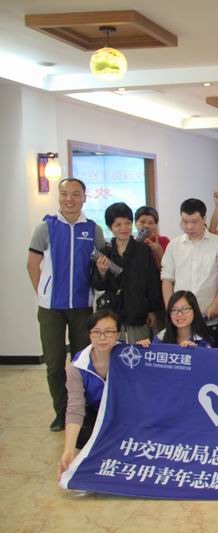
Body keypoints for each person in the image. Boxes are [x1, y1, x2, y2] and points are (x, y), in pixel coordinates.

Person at [27, 177, 105, 431]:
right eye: (64, 194)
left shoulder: (93, 230)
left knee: (82, 360)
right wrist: (43, 293)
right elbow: (32, 265)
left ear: (84, 197)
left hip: (82, 306)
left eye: (75, 194)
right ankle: (61, 412)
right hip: (50, 308)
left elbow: (103, 264)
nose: (69, 199)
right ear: (59, 196)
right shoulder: (45, 228)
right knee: (54, 361)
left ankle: (82, 410)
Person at [57, 310, 120, 478]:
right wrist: (68, 450)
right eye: (96, 332)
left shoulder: (130, 358)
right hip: (95, 411)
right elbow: (75, 407)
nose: (102, 337)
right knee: (82, 436)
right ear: (89, 334)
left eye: (109, 331)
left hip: (123, 413)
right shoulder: (77, 366)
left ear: (118, 334)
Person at [160, 198, 218, 343]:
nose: (189, 226)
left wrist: (216, 304)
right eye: (185, 222)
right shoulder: (174, 245)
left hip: (210, 319)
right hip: (180, 321)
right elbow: (167, 280)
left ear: (204, 218)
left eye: (194, 221)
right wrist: (170, 310)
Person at [91, 202, 162, 343]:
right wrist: (102, 272)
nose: (123, 228)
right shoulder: (105, 253)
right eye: (118, 224)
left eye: (127, 223)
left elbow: (152, 282)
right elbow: (98, 285)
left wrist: (152, 310)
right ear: (110, 227)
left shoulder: (143, 250)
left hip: (138, 313)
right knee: (114, 352)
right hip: (112, 315)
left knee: (140, 351)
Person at [138, 290, 214, 348]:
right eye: (174, 310)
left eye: (185, 309)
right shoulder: (161, 337)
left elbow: (208, 363)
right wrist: (144, 348)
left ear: (195, 311)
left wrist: (196, 352)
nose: (179, 314)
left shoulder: (204, 341)